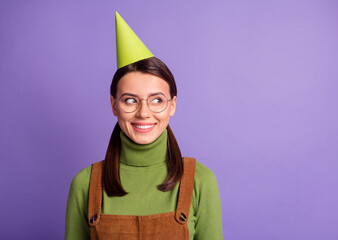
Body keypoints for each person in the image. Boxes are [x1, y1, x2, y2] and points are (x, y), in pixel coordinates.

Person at [65, 12, 223, 240]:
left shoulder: (201, 181)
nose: (143, 113)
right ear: (114, 104)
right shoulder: (85, 183)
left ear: (172, 105)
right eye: (130, 100)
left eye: (157, 100)